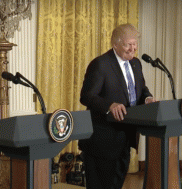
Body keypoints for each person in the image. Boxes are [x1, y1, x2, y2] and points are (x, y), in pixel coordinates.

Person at [79, 23, 156, 189]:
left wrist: (148, 98)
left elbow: (141, 89)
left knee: (117, 184)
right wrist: (109, 105)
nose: (133, 48)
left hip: (125, 138)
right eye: (128, 44)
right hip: (102, 142)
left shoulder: (136, 64)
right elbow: (86, 96)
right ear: (115, 44)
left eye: (135, 43)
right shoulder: (101, 64)